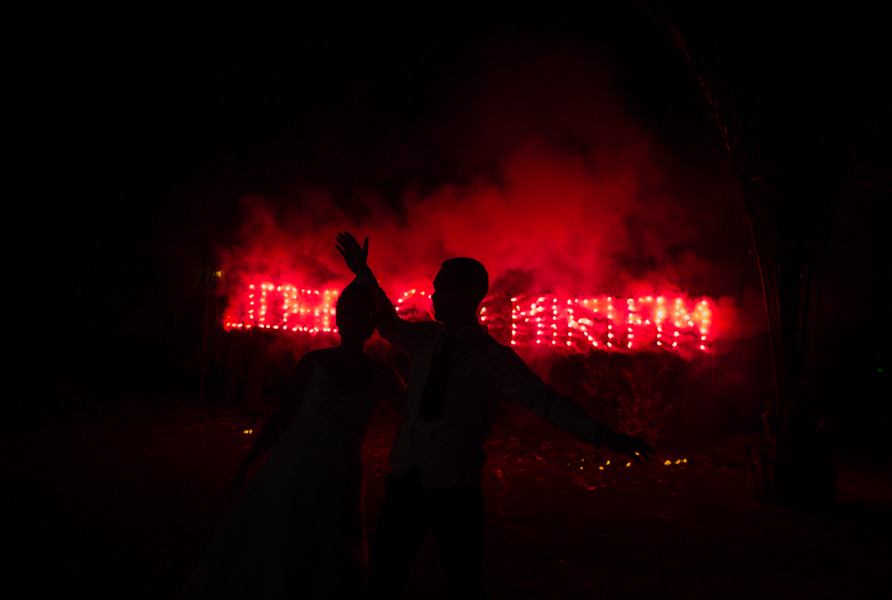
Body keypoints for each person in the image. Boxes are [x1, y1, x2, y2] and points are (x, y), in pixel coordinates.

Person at [335, 231, 655, 600]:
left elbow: (545, 402)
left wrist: (602, 435)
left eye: (441, 288)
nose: (434, 294)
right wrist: (363, 273)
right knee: (383, 583)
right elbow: (388, 323)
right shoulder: (424, 339)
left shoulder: (492, 359)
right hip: (406, 482)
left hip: (456, 491)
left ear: (468, 296)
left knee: (464, 586)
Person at [178, 282, 405, 600]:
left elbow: (415, 420)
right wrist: (249, 462)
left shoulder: (384, 375)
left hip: (341, 476)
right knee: (277, 545)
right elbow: (281, 416)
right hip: (291, 467)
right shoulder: (313, 363)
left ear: (372, 323)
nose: (354, 322)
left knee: (332, 549)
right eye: (348, 314)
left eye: (362, 316)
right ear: (338, 319)